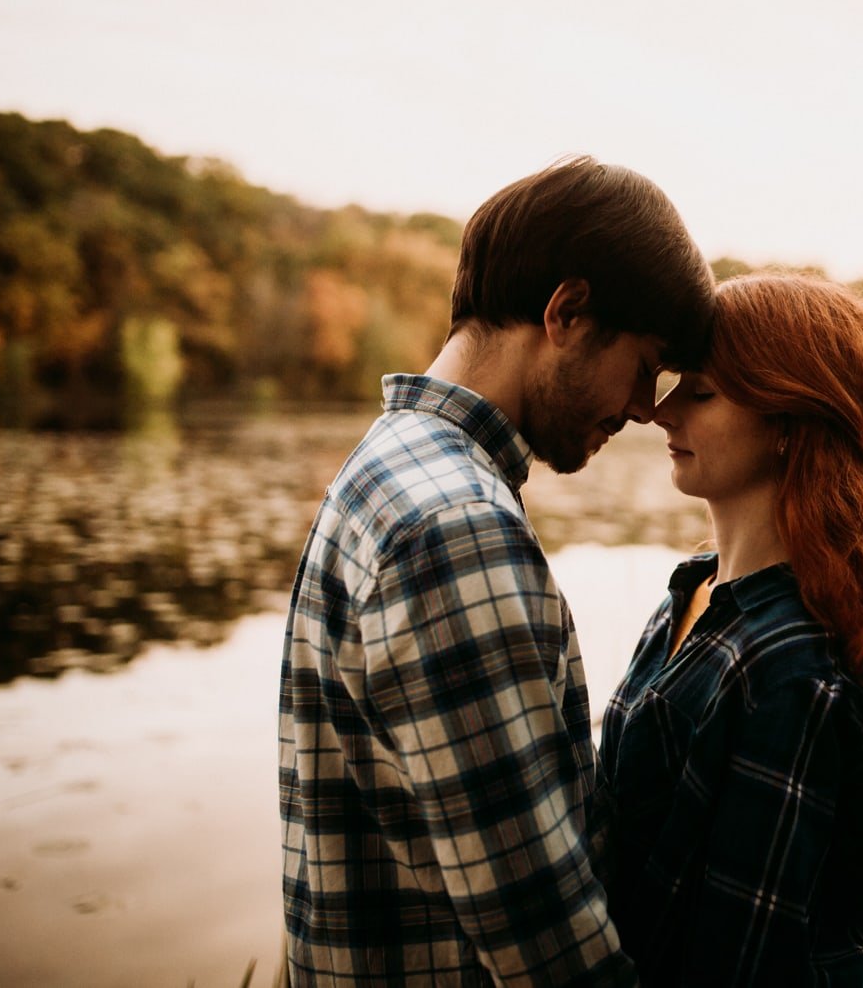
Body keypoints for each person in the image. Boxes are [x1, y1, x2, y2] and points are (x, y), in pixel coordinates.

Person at [278, 155, 715, 986]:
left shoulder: (386, 468)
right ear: (567, 312)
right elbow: (551, 948)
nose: (642, 406)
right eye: (646, 362)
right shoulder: (456, 526)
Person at [598, 272, 863, 986]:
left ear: (788, 426)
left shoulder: (793, 667)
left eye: (699, 392)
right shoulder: (694, 590)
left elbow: (745, 960)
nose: (660, 411)